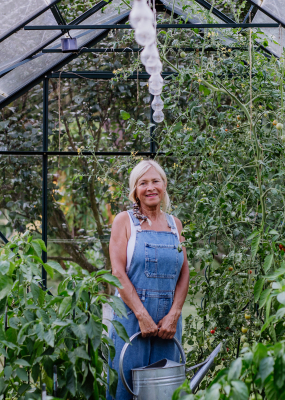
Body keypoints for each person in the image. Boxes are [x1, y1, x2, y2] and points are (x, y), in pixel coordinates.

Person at [106, 159, 190, 400]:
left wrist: (174, 314)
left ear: (164, 186)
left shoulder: (176, 224)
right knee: (124, 390)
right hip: (131, 321)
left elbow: (184, 272)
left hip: (168, 325)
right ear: (135, 190)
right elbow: (118, 272)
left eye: (156, 181)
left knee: (165, 392)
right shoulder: (124, 221)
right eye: (143, 183)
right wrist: (142, 315)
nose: (150, 187)